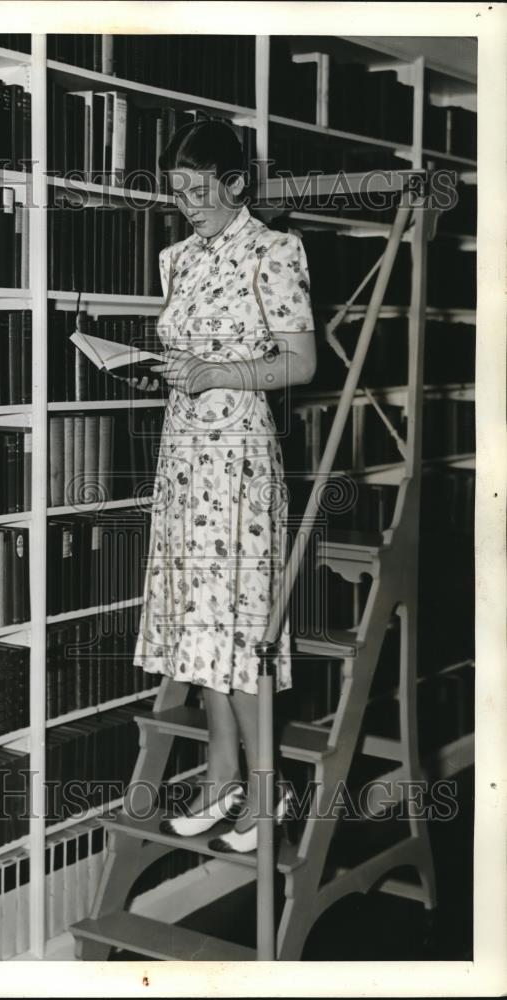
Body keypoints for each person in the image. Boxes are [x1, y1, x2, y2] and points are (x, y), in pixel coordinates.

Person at [129, 119, 316, 853]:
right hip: (183, 455)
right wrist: (157, 369)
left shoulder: (276, 251)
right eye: (176, 193)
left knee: (241, 628)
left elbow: (299, 364)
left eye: (200, 192)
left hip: (239, 458)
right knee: (197, 626)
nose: (187, 205)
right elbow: (185, 355)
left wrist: (220, 375)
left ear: (237, 184)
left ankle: (270, 794)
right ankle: (221, 780)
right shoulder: (175, 258)